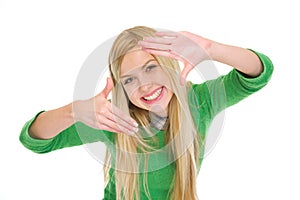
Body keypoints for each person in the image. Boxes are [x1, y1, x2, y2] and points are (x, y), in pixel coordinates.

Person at [19, 26, 273, 200]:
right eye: (129, 80)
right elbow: (34, 140)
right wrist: (74, 111)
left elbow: (258, 74)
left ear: (169, 65)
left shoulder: (200, 101)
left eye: (151, 68)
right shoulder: (112, 117)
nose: (144, 85)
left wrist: (211, 49)